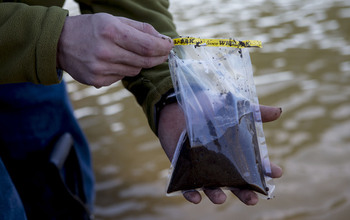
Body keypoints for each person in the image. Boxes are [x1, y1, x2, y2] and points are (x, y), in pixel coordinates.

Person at [0, 0, 283, 219]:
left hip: (35, 71)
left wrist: (171, 93)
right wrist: (50, 39)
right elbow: (45, 40)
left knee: (61, 196)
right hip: (39, 44)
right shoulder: (47, 40)